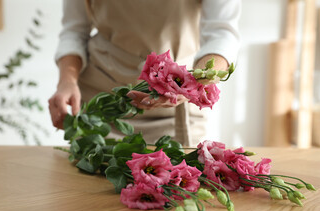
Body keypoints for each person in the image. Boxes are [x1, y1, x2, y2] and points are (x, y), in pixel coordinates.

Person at [48, 0, 240, 145]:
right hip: (101, 101)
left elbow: (222, 34)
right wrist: (67, 81)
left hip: (174, 104)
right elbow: (74, 31)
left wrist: (192, 82)